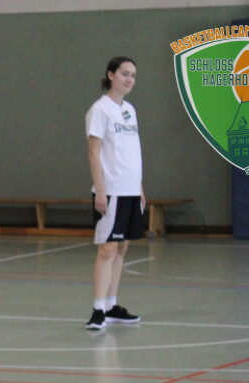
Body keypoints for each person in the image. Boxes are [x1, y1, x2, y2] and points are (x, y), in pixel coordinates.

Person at [85, 56, 145, 330]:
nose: (129, 79)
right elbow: (93, 152)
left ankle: (111, 305)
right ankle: (98, 310)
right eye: (124, 73)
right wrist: (100, 189)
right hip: (111, 191)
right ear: (111, 75)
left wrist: (139, 188)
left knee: (122, 246)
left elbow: (132, 152)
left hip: (131, 190)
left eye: (133, 75)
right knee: (107, 248)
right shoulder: (100, 109)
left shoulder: (130, 110)